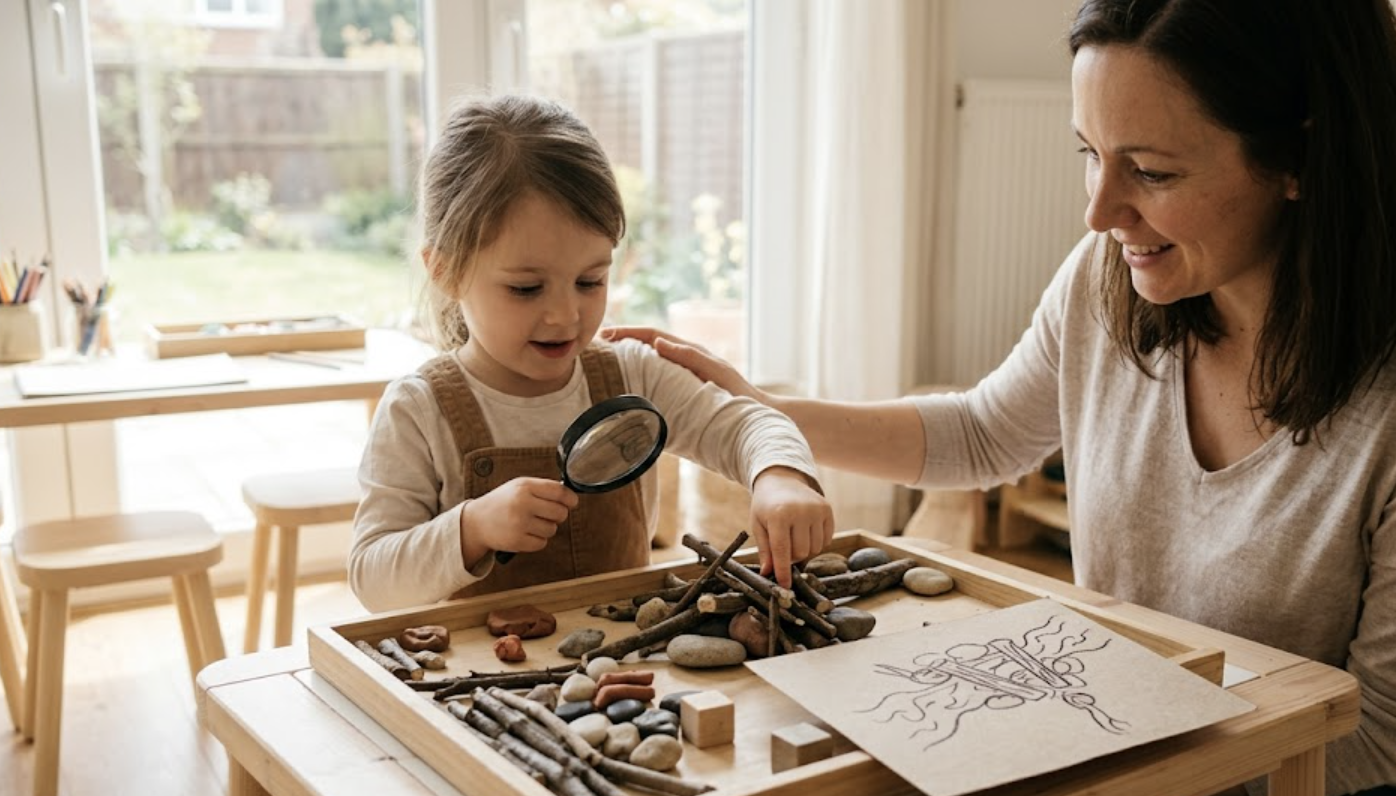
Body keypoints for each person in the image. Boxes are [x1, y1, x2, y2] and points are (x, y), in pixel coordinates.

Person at [605, 0, 1396, 791]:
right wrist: (753, 417)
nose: (1098, 213)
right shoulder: (1109, 279)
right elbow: (984, 434)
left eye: (1152, 172)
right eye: (1090, 153)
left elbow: (1377, 746)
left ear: (1299, 157)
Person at [349, 94, 833, 614]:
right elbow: (372, 578)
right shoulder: (418, 411)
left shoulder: (633, 376)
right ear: (445, 271)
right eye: (526, 289)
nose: (565, 316)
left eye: (590, 281)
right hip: (482, 663)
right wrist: (473, 528)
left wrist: (780, 476)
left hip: (626, 655)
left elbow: (748, 423)